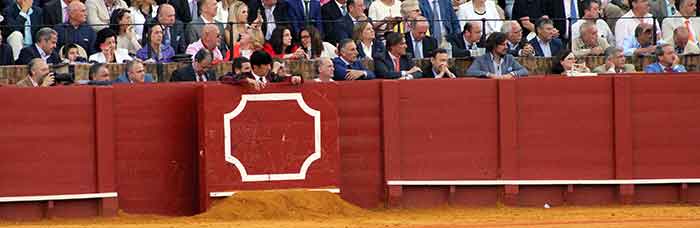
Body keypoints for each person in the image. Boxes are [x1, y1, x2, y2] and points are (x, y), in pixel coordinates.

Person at [220, 50, 303, 90]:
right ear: (255, 67)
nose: (269, 68)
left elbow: (283, 79)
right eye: (266, 65)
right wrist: (247, 80)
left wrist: (294, 78)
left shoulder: (271, 76)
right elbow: (224, 78)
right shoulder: (246, 76)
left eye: (269, 65)